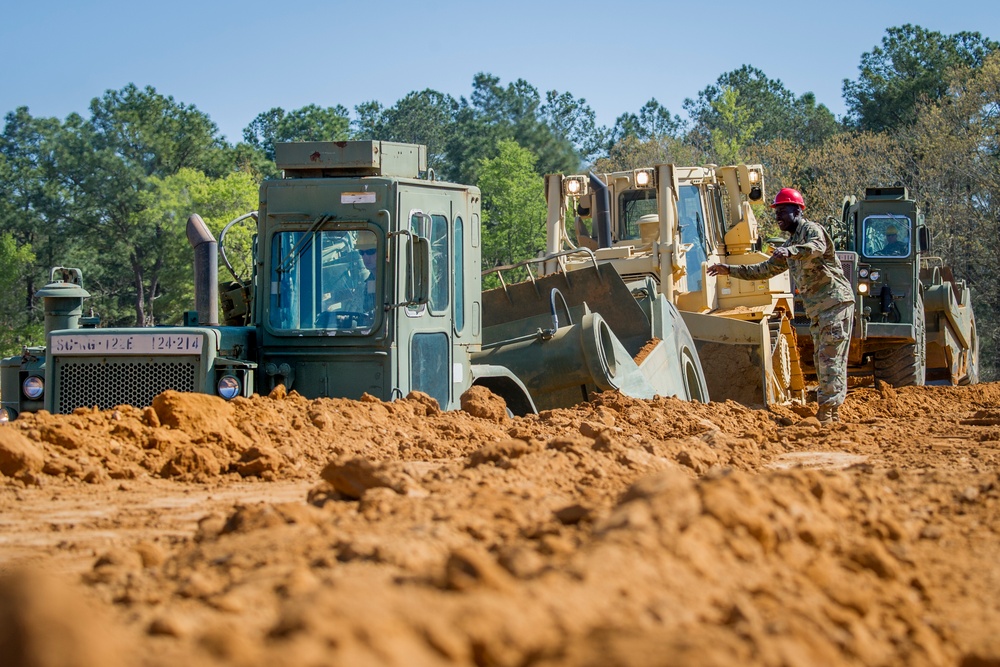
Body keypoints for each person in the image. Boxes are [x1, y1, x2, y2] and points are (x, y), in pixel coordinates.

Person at [707, 188, 854, 424]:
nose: (778, 217)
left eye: (783, 211)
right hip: (820, 310)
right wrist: (729, 270)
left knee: (830, 359)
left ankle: (828, 413)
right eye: (776, 212)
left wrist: (791, 251)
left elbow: (816, 247)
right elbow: (763, 271)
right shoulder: (789, 243)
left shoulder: (810, 231)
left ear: (798, 211)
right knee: (822, 359)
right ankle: (831, 412)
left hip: (835, 303)